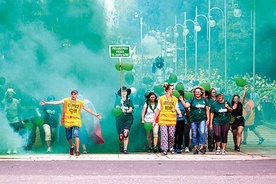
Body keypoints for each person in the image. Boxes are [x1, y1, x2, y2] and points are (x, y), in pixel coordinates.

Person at [40, 90, 101, 156]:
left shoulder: (80, 102)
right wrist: (46, 103)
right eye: (72, 94)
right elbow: (57, 102)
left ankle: (77, 151)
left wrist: (95, 114)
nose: (73, 95)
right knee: (68, 138)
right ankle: (72, 145)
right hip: (68, 122)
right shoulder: (66, 100)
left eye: (74, 94)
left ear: (77, 95)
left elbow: (86, 109)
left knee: (76, 135)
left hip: (76, 121)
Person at [153, 83, 182, 156]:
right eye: (172, 89)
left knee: (171, 135)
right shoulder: (161, 98)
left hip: (172, 120)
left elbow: (176, 107)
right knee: (164, 135)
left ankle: (171, 147)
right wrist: (154, 120)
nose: (173, 90)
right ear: (168, 90)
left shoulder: (175, 99)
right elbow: (158, 109)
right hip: (163, 119)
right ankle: (164, 149)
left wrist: (179, 113)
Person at [184, 86, 210, 155]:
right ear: (194, 93)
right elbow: (186, 106)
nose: (197, 93)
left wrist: (208, 119)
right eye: (196, 92)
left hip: (202, 119)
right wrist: (182, 101)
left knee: (202, 132)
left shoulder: (204, 100)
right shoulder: (192, 99)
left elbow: (207, 110)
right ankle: (195, 148)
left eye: (199, 92)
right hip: (193, 119)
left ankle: (202, 146)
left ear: (201, 93)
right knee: (194, 133)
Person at [1, 88, 24, 154]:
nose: (10, 95)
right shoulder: (4, 102)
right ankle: (9, 148)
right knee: (9, 134)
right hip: (7, 120)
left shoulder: (16, 101)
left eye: (11, 93)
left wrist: (21, 120)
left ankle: (14, 148)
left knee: (15, 133)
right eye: (8, 94)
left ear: (13, 94)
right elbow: (2, 110)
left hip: (15, 119)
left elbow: (20, 111)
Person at [114, 86, 134, 154]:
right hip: (119, 119)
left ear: (127, 92)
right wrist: (119, 109)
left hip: (128, 119)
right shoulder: (117, 100)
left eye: (125, 91)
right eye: (122, 91)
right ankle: (121, 146)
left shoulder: (129, 100)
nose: (124, 93)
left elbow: (131, 109)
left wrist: (125, 111)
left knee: (126, 133)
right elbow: (115, 110)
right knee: (121, 136)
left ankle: (125, 149)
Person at [230, 85, 247, 151]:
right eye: (235, 99)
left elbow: (243, 97)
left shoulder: (240, 104)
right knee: (234, 134)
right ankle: (235, 144)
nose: (236, 100)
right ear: (233, 99)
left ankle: (238, 146)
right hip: (234, 121)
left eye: (237, 98)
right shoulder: (231, 106)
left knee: (239, 133)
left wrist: (245, 90)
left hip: (240, 120)